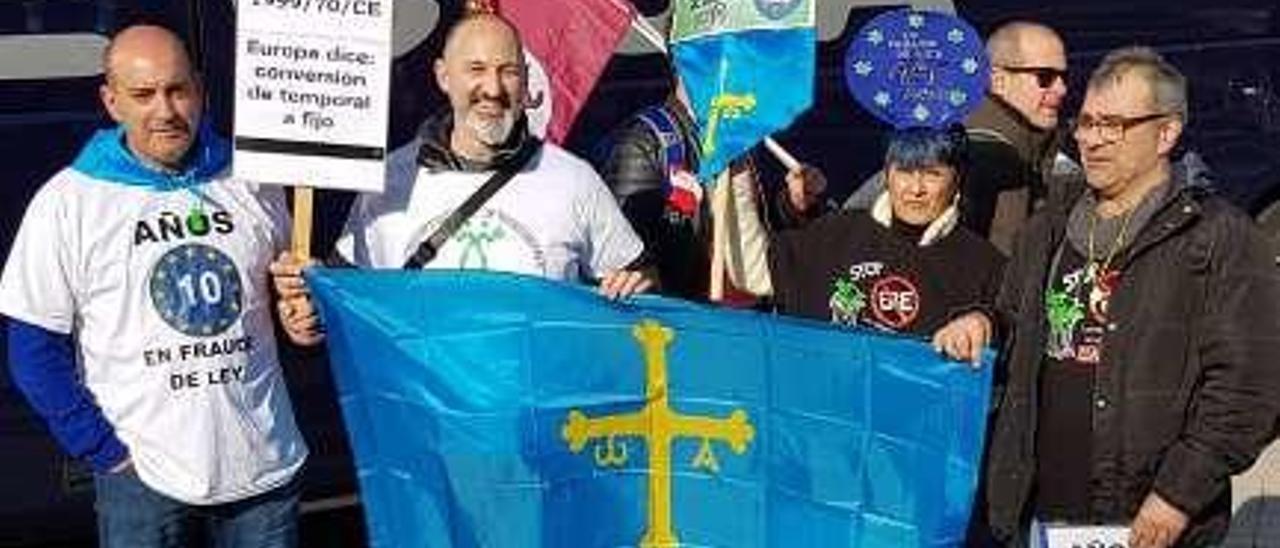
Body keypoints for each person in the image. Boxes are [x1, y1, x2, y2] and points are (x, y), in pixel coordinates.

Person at [934, 47, 1280, 547]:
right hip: (1040, 515)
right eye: (1087, 122)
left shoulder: (1221, 238)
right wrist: (981, 322)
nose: (1093, 140)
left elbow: (1247, 390)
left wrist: (1176, 498)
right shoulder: (1048, 226)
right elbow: (1013, 319)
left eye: (1114, 125)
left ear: (1167, 133)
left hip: (1146, 520)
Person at [0, 25, 311, 548]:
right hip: (144, 483)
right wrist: (103, 452)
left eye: (178, 90)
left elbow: (284, 305)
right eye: (143, 95)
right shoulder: (70, 201)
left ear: (201, 90)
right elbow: (32, 348)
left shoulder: (252, 178)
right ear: (111, 100)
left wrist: (304, 315)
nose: (165, 111)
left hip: (265, 474)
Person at [271, 13, 654, 343]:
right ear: (443, 76)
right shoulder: (389, 180)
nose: (493, 89)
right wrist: (309, 314)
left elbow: (642, 284)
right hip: (425, 420)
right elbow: (344, 302)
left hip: (536, 420)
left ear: (525, 83)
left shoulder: (574, 180)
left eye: (508, 72)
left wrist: (636, 288)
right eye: (476, 70)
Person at [595, 63, 827, 303]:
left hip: (755, 319)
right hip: (693, 324)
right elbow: (628, 259)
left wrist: (794, 205)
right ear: (682, 62)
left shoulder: (741, 133)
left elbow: (759, 231)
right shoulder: (642, 141)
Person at [846, 21, 1070, 255]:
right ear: (998, 81)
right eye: (1045, 77)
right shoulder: (968, 151)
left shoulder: (1046, 149)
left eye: (1064, 76)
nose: (1061, 88)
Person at [770, 126, 1005, 338]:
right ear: (886, 174)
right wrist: (793, 206)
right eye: (904, 171)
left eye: (933, 174)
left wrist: (985, 323)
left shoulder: (985, 266)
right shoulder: (835, 234)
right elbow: (755, 268)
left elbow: (1012, 332)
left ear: (957, 180)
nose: (916, 189)